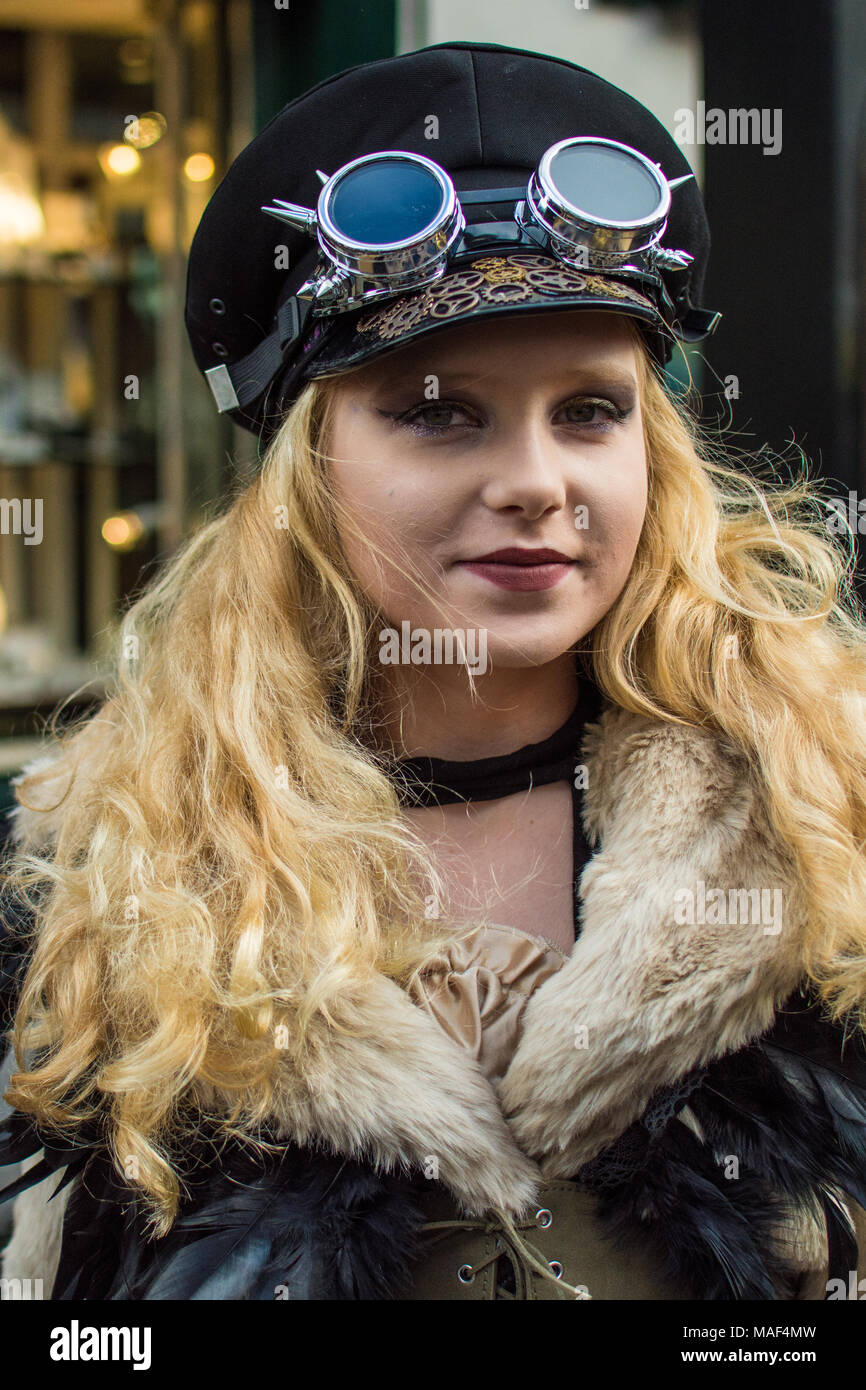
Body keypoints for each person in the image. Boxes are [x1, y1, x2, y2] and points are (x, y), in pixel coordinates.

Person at [2, 39, 866, 1302]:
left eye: (588, 410)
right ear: (307, 475)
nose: (535, 480)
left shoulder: (827, 819)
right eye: (437, 411)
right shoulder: (92, 877)